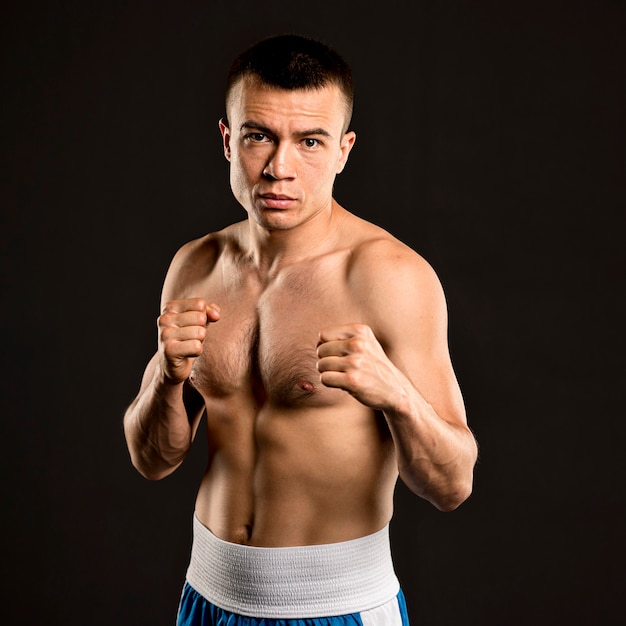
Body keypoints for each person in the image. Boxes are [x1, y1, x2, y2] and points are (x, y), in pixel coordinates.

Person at [123, 33, 478, 626]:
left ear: (343, 150)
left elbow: (453, 484)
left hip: (335, 606)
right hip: (205, 596)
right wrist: (164, 376)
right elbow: (152, 460)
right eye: (258, 135)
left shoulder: (390, 277)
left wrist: (396, 396)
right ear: (227, 140)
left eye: (309, 142)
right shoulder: (196, 265)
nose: (278, 168)